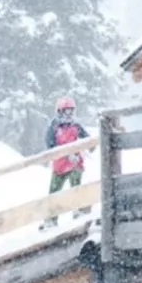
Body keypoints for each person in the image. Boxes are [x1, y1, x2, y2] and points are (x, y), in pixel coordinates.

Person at [44, 96, 90, 228]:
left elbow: (86, 138)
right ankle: (50, 219)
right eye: (67, 111)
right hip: (60, 165)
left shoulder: (75, 125)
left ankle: (78, 210)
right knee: (54, 191)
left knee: (76, 184)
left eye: (71, 111)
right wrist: (65, 155)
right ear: (60, 111)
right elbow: (50, 145)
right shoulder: (54, 126)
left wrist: (87, 147)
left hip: (75, 162)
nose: (69, 114)